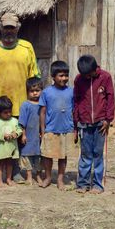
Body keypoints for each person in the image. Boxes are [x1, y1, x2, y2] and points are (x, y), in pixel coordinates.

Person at [0, 12, 40, 184]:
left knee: (19, 139)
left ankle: (16, 170)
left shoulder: (27, 48)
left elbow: (34, 77)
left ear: (18, 28)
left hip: (20, 104)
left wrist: (34, 103)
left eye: (12, 28)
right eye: (6, 28)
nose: (9, 31)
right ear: (0, 28)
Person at [72, 55, 115, 194]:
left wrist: (108, 119)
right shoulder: (79, 80)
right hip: (84, 123)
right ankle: (83, 184)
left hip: (100, 123)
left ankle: (98, 184)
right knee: (85, 155)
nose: (88, 77)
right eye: (85, 75)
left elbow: (110, 98)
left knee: (98, 153)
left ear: (95, 68)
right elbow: (76, 101)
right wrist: (76, 123)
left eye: (90, 74)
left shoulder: (105, 77)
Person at [39, 60, 75, 190]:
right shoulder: (47, 92)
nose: (64, 78)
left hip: (66, 129)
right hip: (50, 129)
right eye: (61, 75)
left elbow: (74, 111)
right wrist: (43, 130)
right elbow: (42, 112)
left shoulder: (71, 92)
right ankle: (48, 177)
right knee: (48, 155)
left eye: (66, 75)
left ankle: (60, 179)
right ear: (53, 77)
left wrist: (74, 129)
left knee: (63, 156)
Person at [0, 96, 23, 187]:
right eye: (5, 112)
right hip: (2, 148)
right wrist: (2, 136)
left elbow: (19, 130)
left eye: (10, 111)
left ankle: (8, 179)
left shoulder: (14, 121)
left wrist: (16, 134)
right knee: (0, 164)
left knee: (10, 163)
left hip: (12, 147)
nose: (8, 114)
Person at [18, 77, 43, 186]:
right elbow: (22, 122)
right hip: (28, 135)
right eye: (32, 91)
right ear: (27, 92)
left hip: (39, 135)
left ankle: (38, 176)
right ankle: (29, 176)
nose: (34, 93)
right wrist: (23, 134)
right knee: (27, 156)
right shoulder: (25, 105)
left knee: (38, 156)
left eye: (37, 91)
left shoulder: (42, 105)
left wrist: (43, 131)